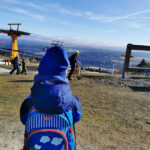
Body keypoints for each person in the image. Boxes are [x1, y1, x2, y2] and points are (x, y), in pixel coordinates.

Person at [20, 46, 82, 150]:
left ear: (40, 72)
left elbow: (23, 119)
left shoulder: (29, 102)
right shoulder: (72, 101)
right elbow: (76, 117)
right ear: (65, 73)